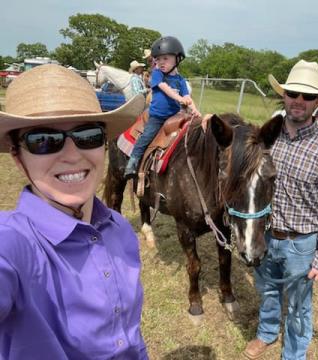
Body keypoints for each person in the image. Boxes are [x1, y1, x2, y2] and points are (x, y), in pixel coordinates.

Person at [0, 64, 148, 359]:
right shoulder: (12, 244)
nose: (72, 155)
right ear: (18, 158)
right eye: (43, 140)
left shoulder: (120, 228)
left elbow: (132, 335)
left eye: (89, 135)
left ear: (104, 146)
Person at [243, 60, 318, 360]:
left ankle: (293, 355)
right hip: (266, 234)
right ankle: (266, 333)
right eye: (293, 93)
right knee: (267, 290)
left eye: (307, 96)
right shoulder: (268, 139)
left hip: (301, 245)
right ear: (284, 96)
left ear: (317, 102)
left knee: (300, 306)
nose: (298, 101)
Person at [124, 36, 200, 178]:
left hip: (175, 116)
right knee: (147, 136)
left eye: (165, 58)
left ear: (177, 59)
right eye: (158, 59)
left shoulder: (180, 80)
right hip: (157, 116)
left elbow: (188, 97)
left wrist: (195, 109)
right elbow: (164, 87)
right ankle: (133, 161)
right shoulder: (157, 74)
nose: (160, 62)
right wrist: (179, 98)